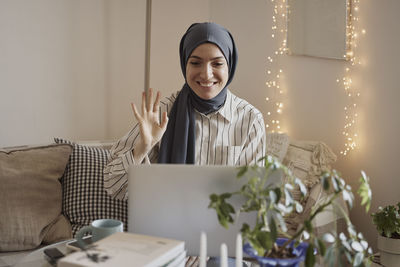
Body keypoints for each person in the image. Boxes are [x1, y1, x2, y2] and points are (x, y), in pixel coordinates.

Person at [104, 22, 266, 200]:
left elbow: (253, 199)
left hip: (223, 226)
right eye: (196, 62)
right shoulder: (162, 113)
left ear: (230, 65)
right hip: (163, 225)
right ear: (184, 64)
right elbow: (113, 187)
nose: (206, 74)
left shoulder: (250, 120)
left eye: (217, 64)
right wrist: (143, 148)